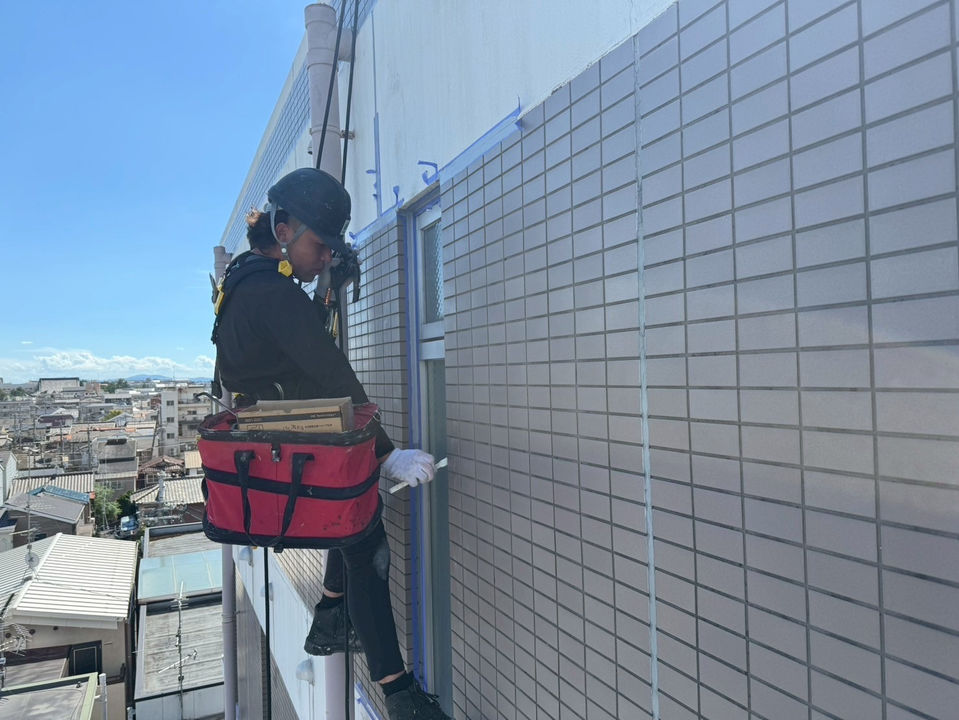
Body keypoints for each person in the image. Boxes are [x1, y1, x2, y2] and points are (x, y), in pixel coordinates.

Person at [213, 167, 451, 720]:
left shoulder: (244, 280)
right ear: (283, 230)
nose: (325, 258)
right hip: (295, 445)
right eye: (320, 245)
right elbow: (332, 373)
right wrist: (387, 454)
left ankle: (331, 616)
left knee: (349, 523)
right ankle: (399, 694)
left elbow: (290, 339)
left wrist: (324, 292)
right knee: (365, 545)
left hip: (276, 446)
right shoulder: (273, 294)